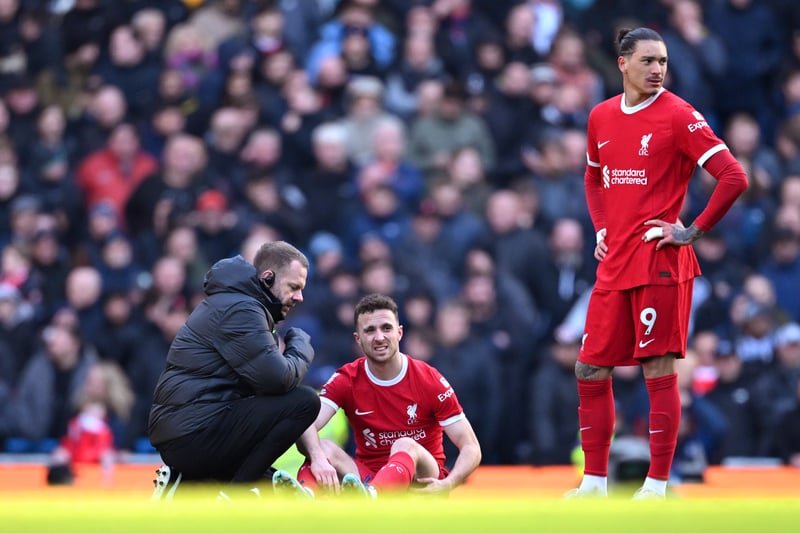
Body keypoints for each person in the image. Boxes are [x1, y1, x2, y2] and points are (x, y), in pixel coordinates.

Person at [568, 27, 747, 500]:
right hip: (615, 262)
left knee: (657, 369)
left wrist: (690, 232)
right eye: (648, 61)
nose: (658, 69)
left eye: (663, 61)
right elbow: (593, 177)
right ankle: (594, 482)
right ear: (622, 62)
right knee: (589, 368)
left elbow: (733, 176)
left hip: (660, 264)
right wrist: (602, 226)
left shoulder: (679, 115)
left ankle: (657, 483)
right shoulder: (601, 116)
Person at [148, 241, 319, 499]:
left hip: (190, 430)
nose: (299, 297)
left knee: (269, 476)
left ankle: (187, 484)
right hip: (193, 433)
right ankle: (233, 495)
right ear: (268, 277)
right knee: (305, 402)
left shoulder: (242, 305)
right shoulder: (241, 309)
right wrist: (301, 345)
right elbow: (279, 380)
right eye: (293, 287)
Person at [273, 293, 481, 498]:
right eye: (370, 330)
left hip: (421, 482)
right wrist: (318, 458)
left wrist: (449, 483)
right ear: (358, 339)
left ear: (399, 333)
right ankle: (305, 496)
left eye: (386, 328)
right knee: (324, 447)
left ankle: (373, 495)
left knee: (404, 444)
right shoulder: (346, 379)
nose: (379, 337)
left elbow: (471, 447)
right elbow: (305, 422)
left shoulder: (428, 379)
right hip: (368, 479)